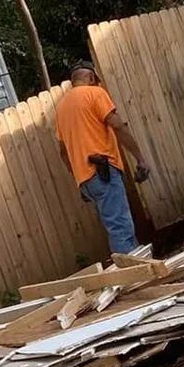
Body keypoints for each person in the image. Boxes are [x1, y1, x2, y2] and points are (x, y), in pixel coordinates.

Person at [52, 63, 152, 255]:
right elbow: (118, 126)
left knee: (116, 224)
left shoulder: (62, 108)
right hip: (103, 171)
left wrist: (78, 178)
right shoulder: (94, 93)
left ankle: (142, 267)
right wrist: (140, 158)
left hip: (86, 180)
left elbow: (63, 153)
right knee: (120, 227)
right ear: (90, 78)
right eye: (96, 81)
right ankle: (134, 276)